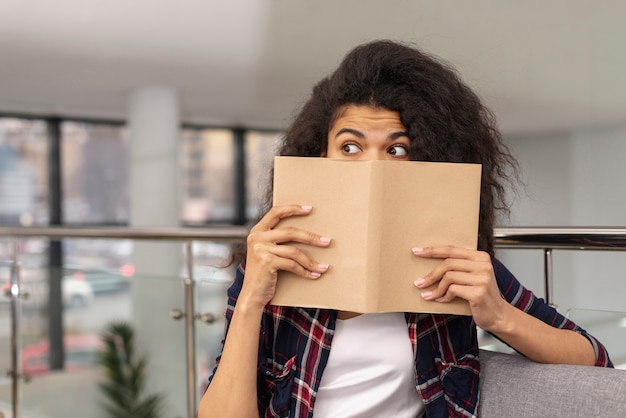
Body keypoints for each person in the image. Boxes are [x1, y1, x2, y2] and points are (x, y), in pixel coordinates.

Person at [198, 40, 612, 418]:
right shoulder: (273, 263)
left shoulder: (450, 260)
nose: (373, 166)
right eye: (350, 147)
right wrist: (252, 296)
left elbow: (595, 360)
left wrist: (500, 316)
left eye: (397, 149)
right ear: (318, 154)